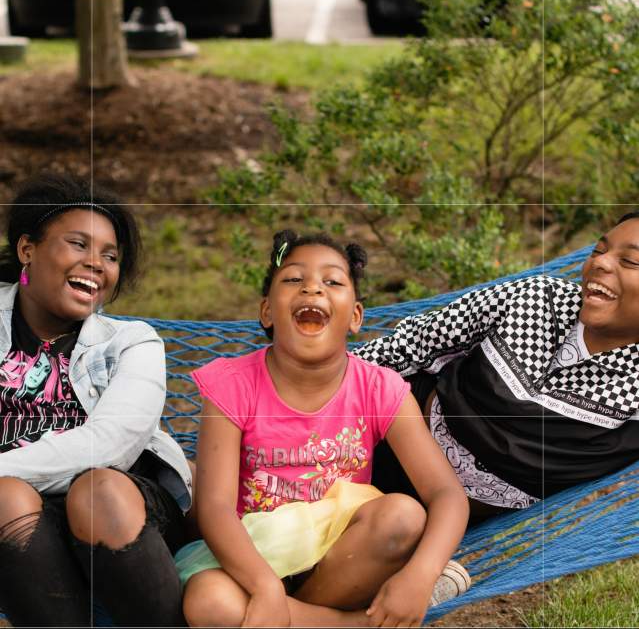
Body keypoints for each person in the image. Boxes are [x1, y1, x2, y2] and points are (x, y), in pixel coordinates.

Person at [177, 229, 470, 628]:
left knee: (403, 515)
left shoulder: (379, 388)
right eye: (294, 279)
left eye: (332, 281)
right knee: (209, 603)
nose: (312, 288)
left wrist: (421, 575)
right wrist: (264, 586)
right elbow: (214, 507)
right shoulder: (231, 385)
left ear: (355, 316)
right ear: (266, 311)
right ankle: (355, 625)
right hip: (254, 558)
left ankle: (294, 616)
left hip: (344, 562)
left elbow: (446, 494)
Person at [0, 174, 194, 627]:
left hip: (120, 507)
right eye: (78, 244)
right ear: (28, 249)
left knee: (95, 491)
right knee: (5, 497)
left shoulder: (132, 342)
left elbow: (111, 445)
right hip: (15, 511)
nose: (97, 264)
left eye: (109, 255)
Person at [356, 212, 639, 520]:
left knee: (385, 528)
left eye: (630, 261)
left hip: (443, 517)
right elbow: (413, 343)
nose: (600, 263)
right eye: (598, 250)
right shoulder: (536, 298)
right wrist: (322, 387)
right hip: (386, 434)